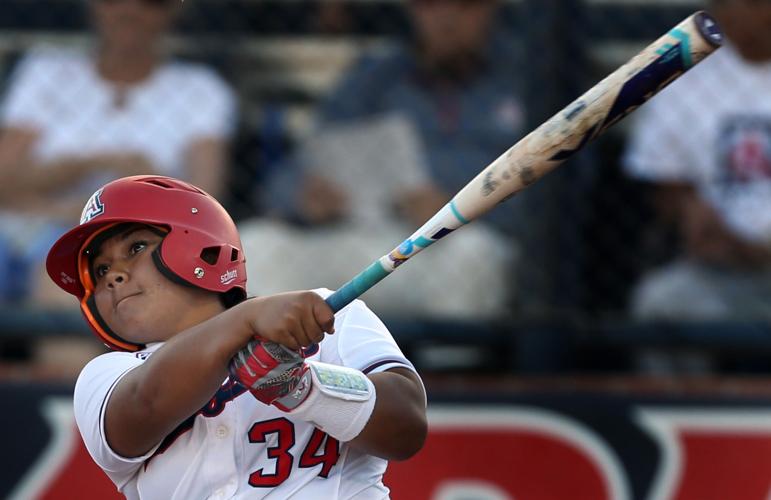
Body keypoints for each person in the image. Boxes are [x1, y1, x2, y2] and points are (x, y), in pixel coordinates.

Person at [45, 175, 427, 498]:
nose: (113, 276)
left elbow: (406, 427)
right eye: (100, 269)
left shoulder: (326, 312)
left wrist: (305, 388)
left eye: (137, 247)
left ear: (198, 243)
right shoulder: (108, 374)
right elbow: (143, 407)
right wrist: (246, 320)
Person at [241, 0, 526, 319]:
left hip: (449, 244)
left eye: (463, 6)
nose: (446, 17)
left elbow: (558, 197)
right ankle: (275, 368)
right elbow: (294, 168)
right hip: (359, 235)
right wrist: (303, 196)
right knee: (257, 244)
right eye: (430, 6)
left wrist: (461, 208)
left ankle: (449, 367)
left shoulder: (527, 77)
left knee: (472, 255)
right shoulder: (376, 76)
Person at [0, 0, 235, 306]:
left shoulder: (199, 89)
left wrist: (46, 193)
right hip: (19, 231)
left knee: (65, 279)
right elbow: (4, 179)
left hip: (128, 241)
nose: (130, 11)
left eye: (151, 3)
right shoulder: (47, 71)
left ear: (176, 10)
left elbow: (204, 204)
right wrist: (91, 168)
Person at [622, 0, 771, 320]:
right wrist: (696, 218)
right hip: (723, 269)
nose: (764, 14)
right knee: (663, 301)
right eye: (753, 4)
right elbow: (668, 188)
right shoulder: (683, 75)